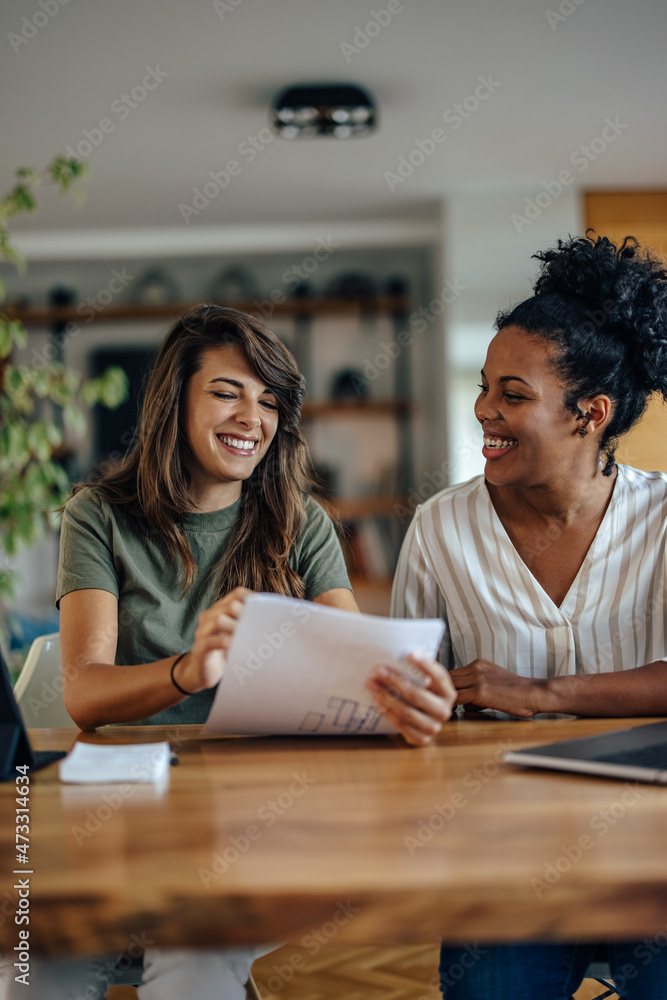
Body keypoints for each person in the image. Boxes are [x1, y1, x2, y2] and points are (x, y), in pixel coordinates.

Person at [0, 305, 454, 1000]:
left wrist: (409, 696)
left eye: (269, 401)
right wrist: (188, 670)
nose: (252, 418)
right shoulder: (99, 514)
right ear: (172, 401)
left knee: (192, 962)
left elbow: (365, 668)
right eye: (226, 393)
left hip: (254, 810)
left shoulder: (301, 522)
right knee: (33, 969)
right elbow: (85, 693)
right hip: (119, 808)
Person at [391, 233, 667, 999]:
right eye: (484, 388)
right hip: (503, 846)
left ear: (590, 413)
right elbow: (408, 687)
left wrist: (540, 694)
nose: (484, 411)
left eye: (512, 395)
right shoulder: (441, 527)